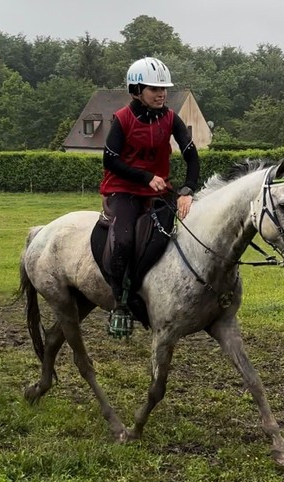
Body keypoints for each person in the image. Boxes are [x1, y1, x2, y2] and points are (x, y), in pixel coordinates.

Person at [100, 56, 200, 333]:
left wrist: (187, 190)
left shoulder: (171, 118)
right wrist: (146, 177)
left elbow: (192, 158)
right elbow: (110, 161)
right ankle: (121, 302)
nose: (162, 94)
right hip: (124, 190)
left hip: (160, 190)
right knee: (124, 240)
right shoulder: (122, 119)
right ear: (136, 91)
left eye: (164, 89)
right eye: (154, 89)